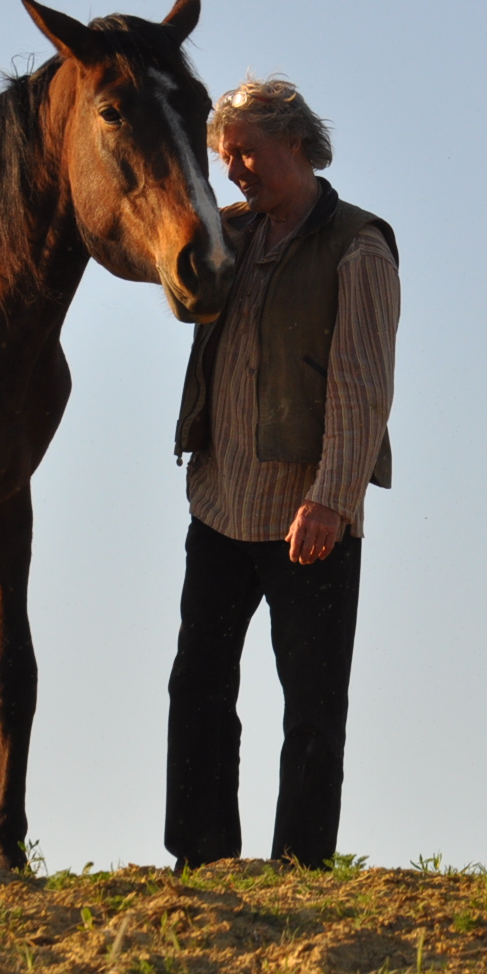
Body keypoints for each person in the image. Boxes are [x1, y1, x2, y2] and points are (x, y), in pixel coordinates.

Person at [167, 75, 400, 869]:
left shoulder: (359, 246)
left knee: (311, 709)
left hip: (309, 514)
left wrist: (331, 499)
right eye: (224, 157)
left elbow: (363, 386)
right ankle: (203, 860)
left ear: (295, 144)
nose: (234, 170)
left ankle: (300, 868)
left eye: (245, 153)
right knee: (197, 686)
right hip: (220, 505)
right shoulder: (226, 236)